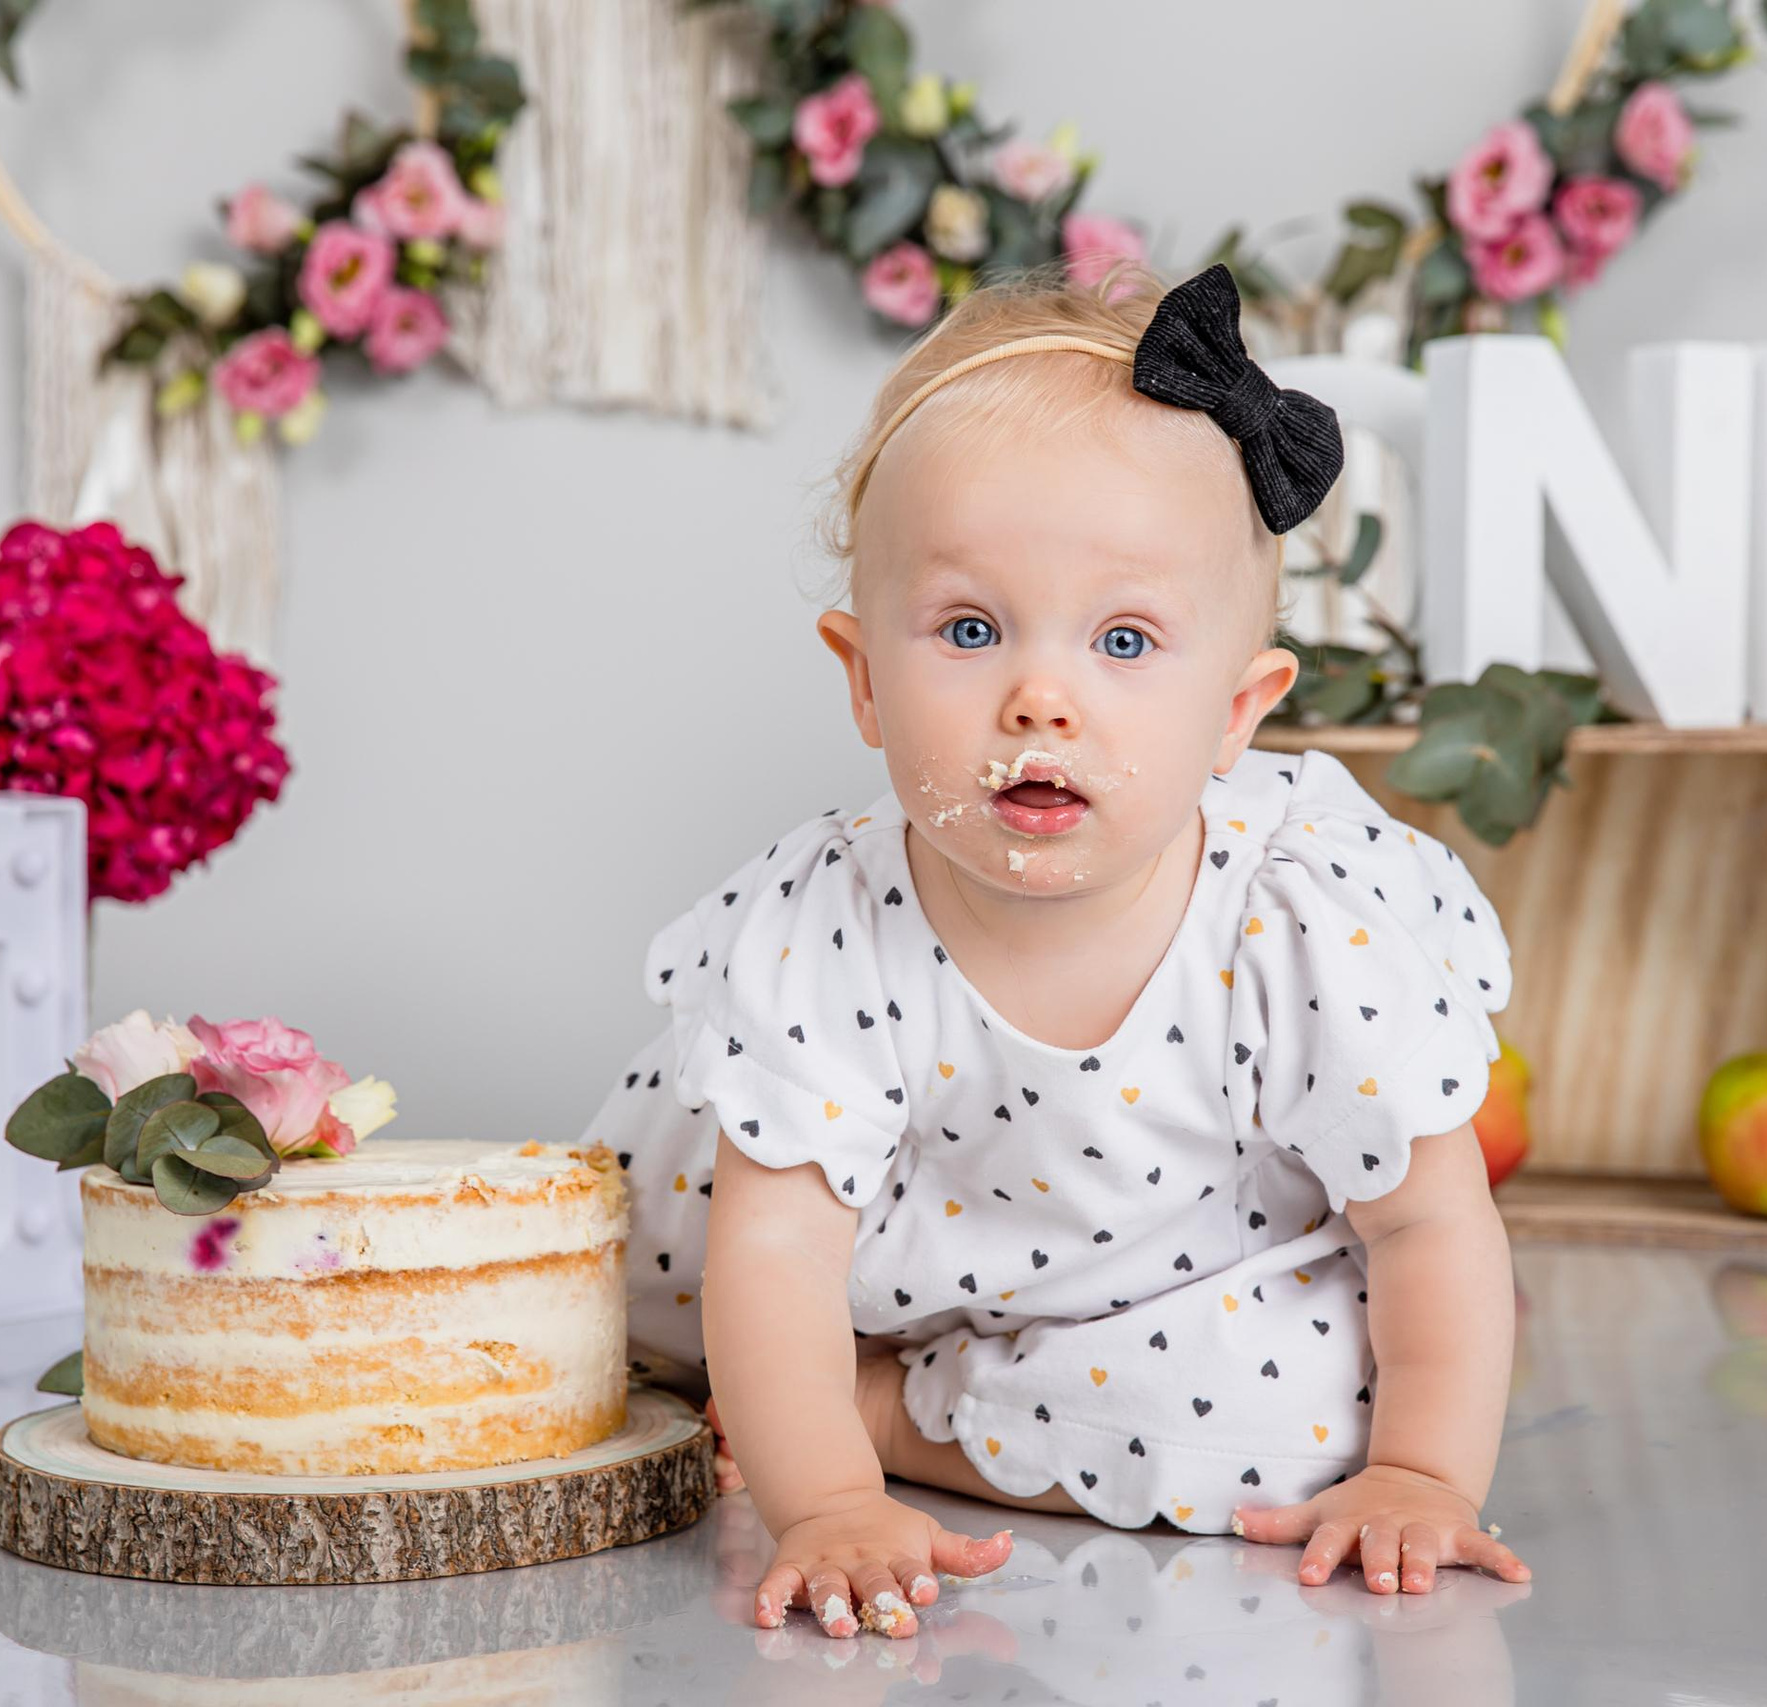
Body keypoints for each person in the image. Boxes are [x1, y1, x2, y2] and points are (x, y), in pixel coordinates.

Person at [577, 260, 1532, 1640]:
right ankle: (810, 1408)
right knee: (620, 1289)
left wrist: (1422, 1474)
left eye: (1127, 640)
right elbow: (774, 1253)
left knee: (1311, 1423)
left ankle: (898, 1410)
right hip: (827, 1249)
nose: (1042, 697)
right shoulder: (824, 925)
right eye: (969, 629)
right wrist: (824, 1504)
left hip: (1154, 1275)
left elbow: (1431, 1217)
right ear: (861, 676)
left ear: (1237, 712)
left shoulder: (1305, 917)